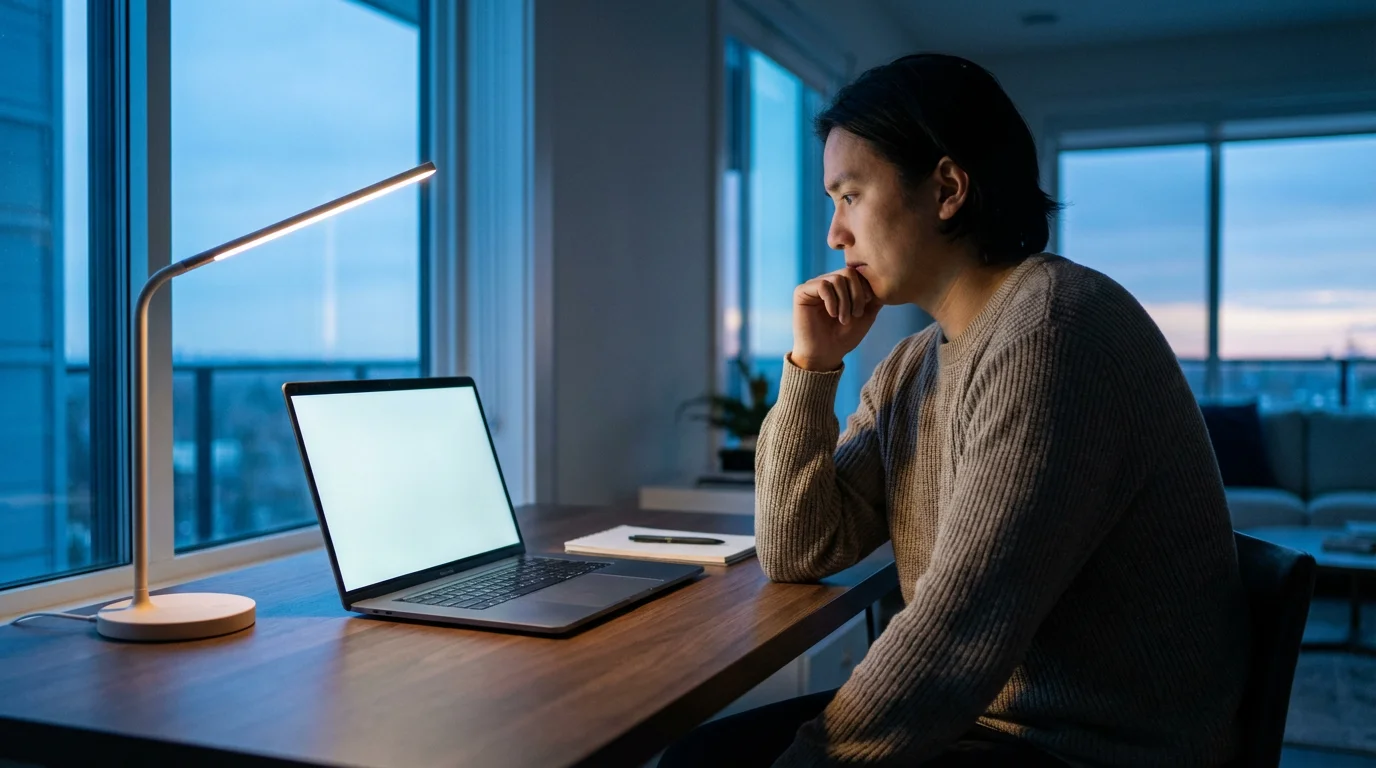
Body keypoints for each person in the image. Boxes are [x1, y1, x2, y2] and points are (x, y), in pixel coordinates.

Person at [660, 54, 1249, 767]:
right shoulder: (915, 366)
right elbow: (798, 548)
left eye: (849, 196)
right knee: (701, 755)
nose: (833, 235)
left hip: (1086, 747)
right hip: (982, 721)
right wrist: (813, 368)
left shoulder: (1053, 334)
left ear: (945, 188)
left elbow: (960, 624)